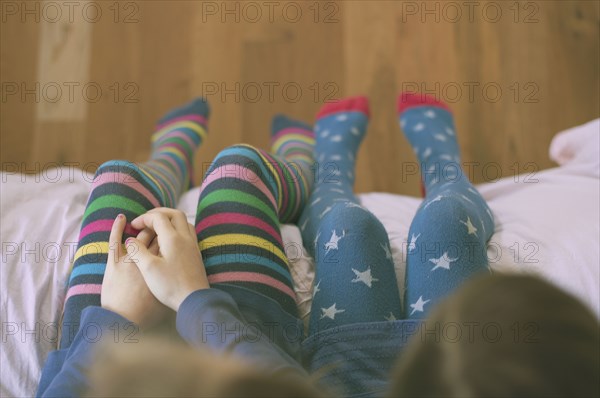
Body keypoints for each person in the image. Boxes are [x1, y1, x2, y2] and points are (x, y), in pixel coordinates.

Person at [36, 94, 599, 397]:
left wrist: (118, 319)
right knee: (423, 219)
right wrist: (191, 300)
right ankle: (335, 167)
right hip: (292, 350)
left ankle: (175, 160)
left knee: (117, 183)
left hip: (112, 343)